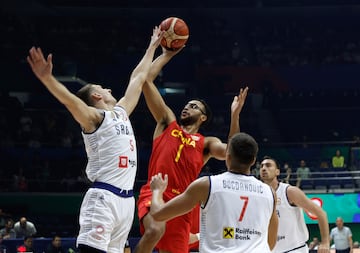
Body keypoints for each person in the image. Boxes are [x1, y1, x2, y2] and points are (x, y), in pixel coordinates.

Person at [27, 27, 164, 253]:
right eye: (103, 88)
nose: (109, 88)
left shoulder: (120, 112)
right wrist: (47, 79)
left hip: (127, 200)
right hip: (104, 197)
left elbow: (138, 78)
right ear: (97, 96)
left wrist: (152, 47)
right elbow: (71, 102)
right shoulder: (94, 118)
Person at [134, 46, 249, 253]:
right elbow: (147, 82)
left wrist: (235, 116)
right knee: (154, 230)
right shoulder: (167, 123)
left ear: (203, 117)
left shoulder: (205, 143)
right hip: (156, 191)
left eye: (194, 106)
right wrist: (167, 54)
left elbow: (232, 152)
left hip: (183, 202)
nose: (187, 107)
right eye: (187, 105)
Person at [149, 132, 278, 252]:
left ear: (227, 157)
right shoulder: (270, 193)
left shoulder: (207, 185)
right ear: (253, 161)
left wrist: (156, 191)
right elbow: (270, 243)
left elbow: (158, 214)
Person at [260, 156, 330, 253]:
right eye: (261, 166)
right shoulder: (259, 195)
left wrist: (325, 242)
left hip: (295, 249)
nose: (263, 168)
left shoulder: (289, 191)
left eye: (268, 166)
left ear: (277, 172)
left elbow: (321, 213)